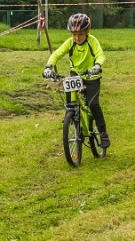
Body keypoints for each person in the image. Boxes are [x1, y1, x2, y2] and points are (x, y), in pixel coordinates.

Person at [43, 14, 111, 148]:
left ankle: (103, 132)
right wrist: (48, 67)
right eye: (74, 34)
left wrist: (97, 66)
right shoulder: (70, 42)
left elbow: (100, 54)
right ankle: (72, 118)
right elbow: (57, 53)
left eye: (80, 34)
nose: (77, 38)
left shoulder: (92, 41)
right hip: (75, 75)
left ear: (87, 32)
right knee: (70, 104)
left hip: (91, 76)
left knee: (93, 104)